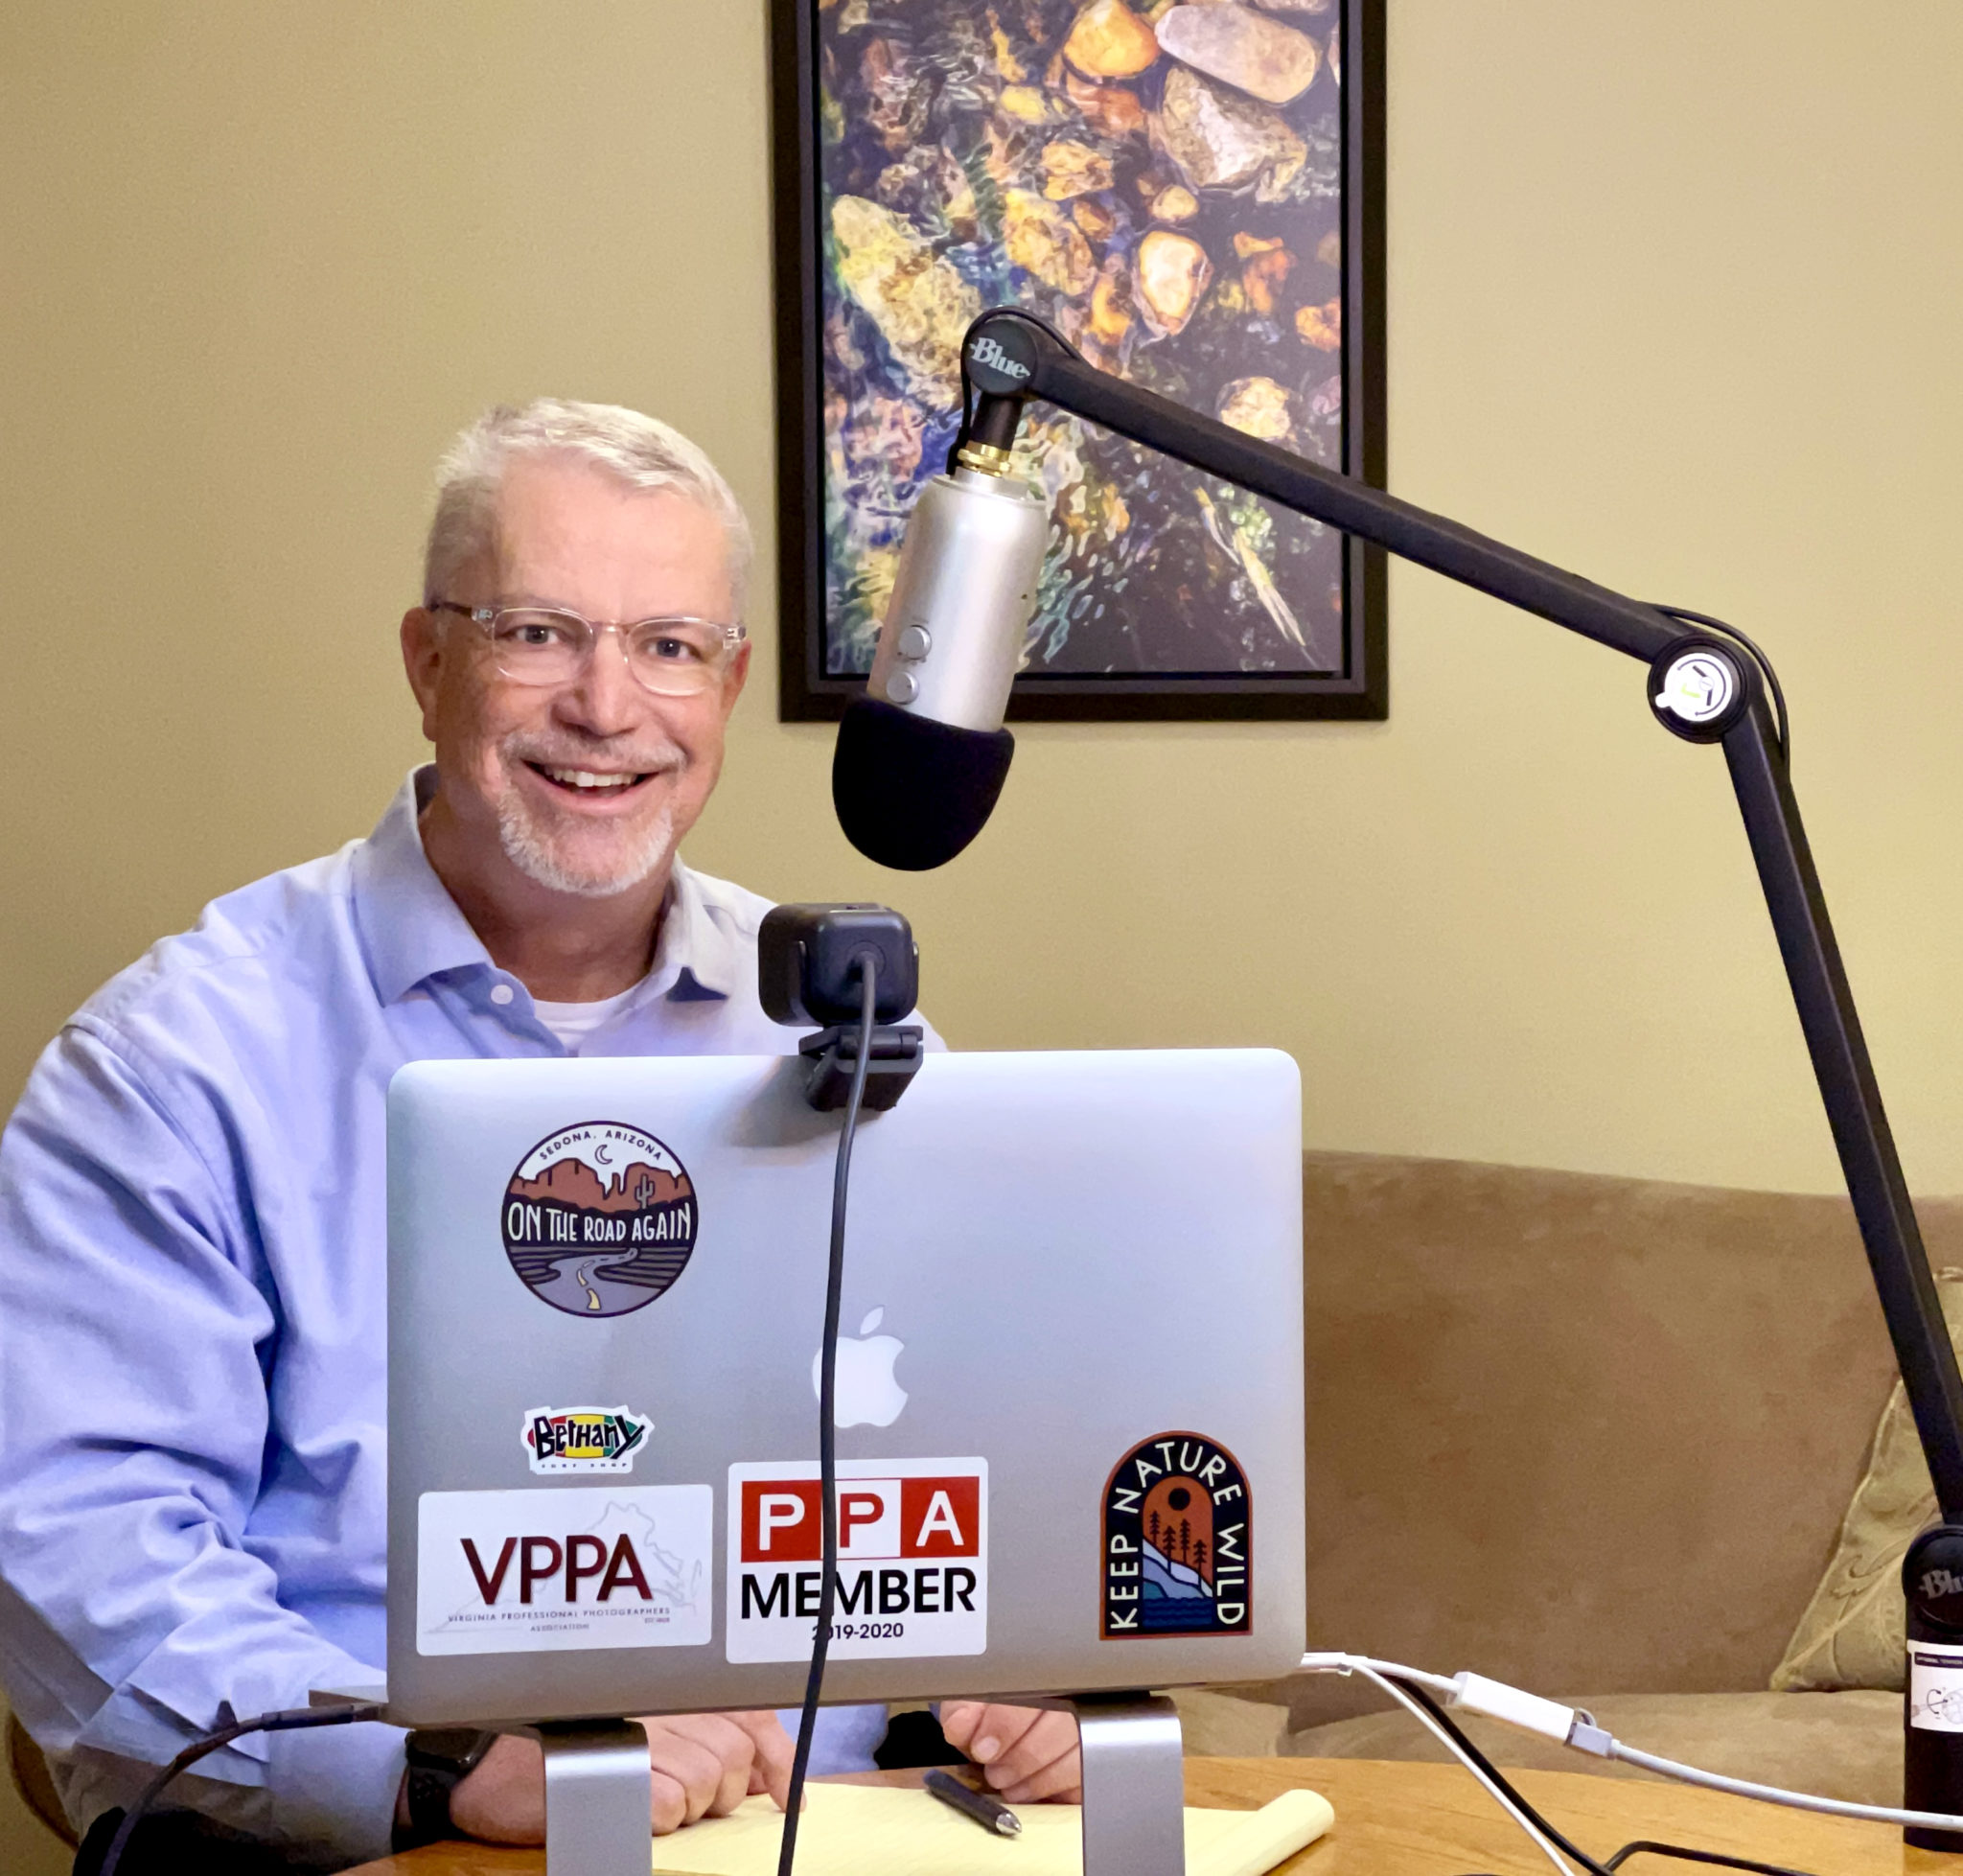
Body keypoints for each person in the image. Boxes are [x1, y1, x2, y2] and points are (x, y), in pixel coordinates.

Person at [0, 401, 1080, 1871]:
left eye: (669, 646)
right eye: (537, 633)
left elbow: (998, 1458)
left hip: (812, 1836)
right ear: (425, 661)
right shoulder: (177, 1062)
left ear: (732, 685)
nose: (607, 705)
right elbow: (78, 1552)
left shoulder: (852, 1035)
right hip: (377, 1846)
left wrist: (1030, 1660)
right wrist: (433, 1766)